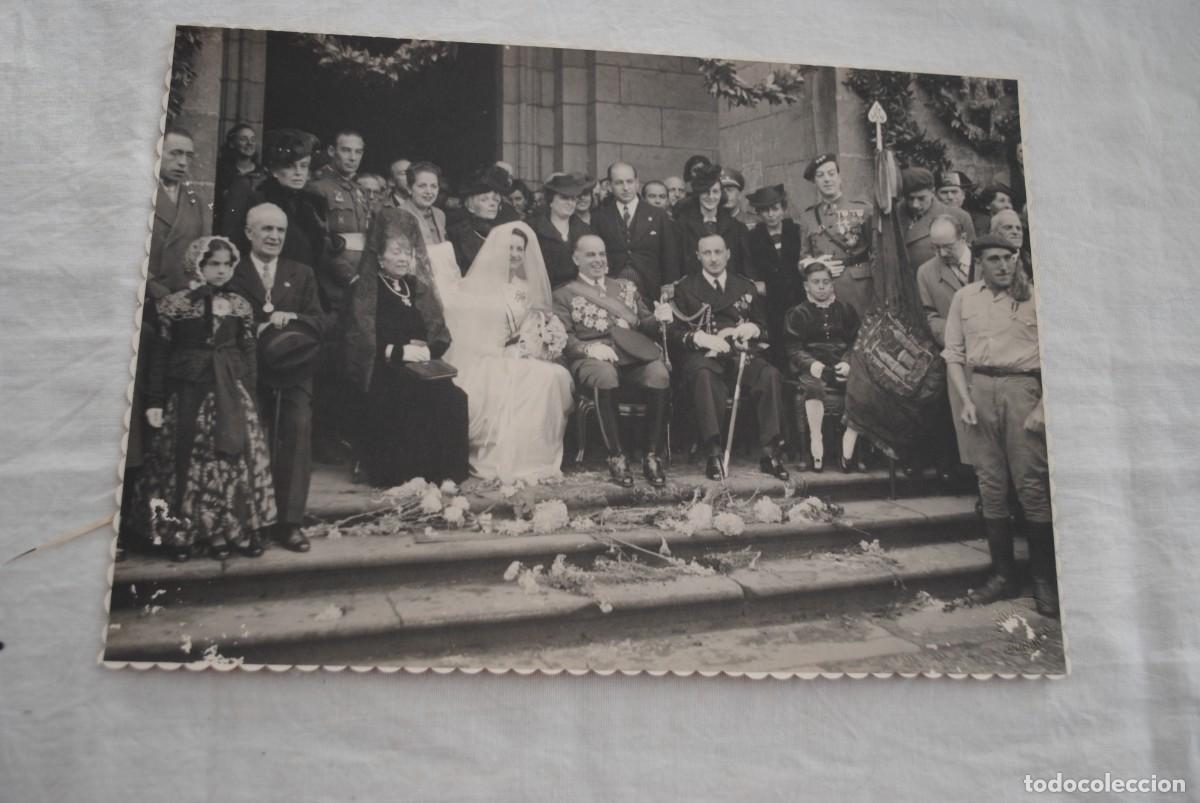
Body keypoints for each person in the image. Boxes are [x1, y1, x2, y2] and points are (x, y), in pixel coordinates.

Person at [136, 236, 276, 562]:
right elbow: (160, 353)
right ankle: (184, 535)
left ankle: (234, 531)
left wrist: (250, 396)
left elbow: (248, 352)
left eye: (228, 264)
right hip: (188, 391)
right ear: (198, 265)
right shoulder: (176, 304)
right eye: (214, 263)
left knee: (232, 460)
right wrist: (155, 400)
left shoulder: (240, 306)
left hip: (229, 390)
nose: (222, 270)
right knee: (186, 459)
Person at [942, 233, 1057, 617]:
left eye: (1009, 258)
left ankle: (1044, 581)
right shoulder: (965, 299)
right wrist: (967, 399)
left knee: (1031, 486)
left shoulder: (1034, 295)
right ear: (980, 263)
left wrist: (1042, 405)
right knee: (990, 486)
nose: (1003, 265)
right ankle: (1002, 576)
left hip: (1023, 391)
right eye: (994, 259)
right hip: (981, 392)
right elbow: (954, 355)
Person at [226, 203, 328, 554]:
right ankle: (251, 522)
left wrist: (293, 317)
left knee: (296, 435)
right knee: (249, 441)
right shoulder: (232, 271)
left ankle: (289, 523)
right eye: (266, 229)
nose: (274, 237)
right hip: (245, 369)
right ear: (249, 233)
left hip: (292, 368)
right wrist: (256, 326)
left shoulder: (300, 273)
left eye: (280, 231)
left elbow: (320, 320)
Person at [437, 222, 574, 483]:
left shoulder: (524, 287)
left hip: (518, 354)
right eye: (510, 248)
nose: (514, 254)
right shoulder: (475, 287)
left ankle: (535, 458)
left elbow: (531, 325)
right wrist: (502, 350)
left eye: (519, 249)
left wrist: (541, 339)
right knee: (521, 378)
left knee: (553, 376)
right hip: (486, 357)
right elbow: (468, 334)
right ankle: (504, 459)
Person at [343, 208, 470, 486]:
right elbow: (357, 340)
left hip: (419, 368)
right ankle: (404, 476)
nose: (403, 258)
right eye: (396, 252)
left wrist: (428, 349)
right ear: (380, 255)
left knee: (455, 398)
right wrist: (396, 351)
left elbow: (437, 332)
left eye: (407, 252)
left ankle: (443, 474)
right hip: (381, 369)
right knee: (406, 397)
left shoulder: (414, 287)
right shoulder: (366, 289)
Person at [552, 235, 674, 488]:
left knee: (659, 373)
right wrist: (589, 348)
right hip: (593, 358)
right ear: (576, 259)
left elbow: (644, 323)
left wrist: (661, 318)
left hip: (633, 356)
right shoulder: (563, 295)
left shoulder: (625, 287)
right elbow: (563, 338)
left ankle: (652, 455)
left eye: (602, 254)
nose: (598, 260)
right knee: (605, 375)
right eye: (590, 255)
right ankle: (616, 455)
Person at [671, 234, 790, 482]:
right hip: (705, 355)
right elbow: (675, 333)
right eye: (707, 253)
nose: (713, 259)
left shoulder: (745, 286)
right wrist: (698, 338)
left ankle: (771, 453)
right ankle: (713, 452)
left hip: (740, 353)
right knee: (703, 376)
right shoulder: (685, 287)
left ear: (728, 254)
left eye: (718, 252)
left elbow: (764, 327)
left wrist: (754, 329)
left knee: (770, 375)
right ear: (698, 256)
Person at [784, 262, 864, 473]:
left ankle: (849, 448)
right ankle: (815, 443)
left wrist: (847, 362)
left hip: (841, 365)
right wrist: (813, 365)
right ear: (806, 286)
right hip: (813, 367)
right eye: (815, 282)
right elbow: (793, 348)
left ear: (832, 285)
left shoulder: (845, 310)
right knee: (813, 387)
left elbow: (856, 342)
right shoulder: (798, 313)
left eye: (826, 282)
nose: (821, 287)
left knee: (860, 387)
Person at [221, 129, 328, 276]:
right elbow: (233, 243)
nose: (298, 172)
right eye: (289, 166)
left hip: (302, 282)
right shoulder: (254, 195)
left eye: (303, 166)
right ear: (274, 169)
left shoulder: (311, 202)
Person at [916, 215, 975, 474]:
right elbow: (929, 316)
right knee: (965, 420)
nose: (941, 252)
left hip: (994, 351)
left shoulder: (987, 263)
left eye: (948, 246)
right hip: (956, 356)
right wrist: (954, 337)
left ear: (963, 238)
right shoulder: (927, 272)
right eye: (935, 247)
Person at [798, 153, 875, 318]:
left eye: (831, 173)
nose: (827, 179)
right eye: (820, 175)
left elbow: (877, 253)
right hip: (824, 289)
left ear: (839, 177)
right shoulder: (808, 217)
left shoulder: (863, 209)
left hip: (860, 288)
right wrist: (817, 264)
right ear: (815, 182)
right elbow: (803, 259)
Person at [591, 161, 679, 301]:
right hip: (612, 290)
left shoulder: (658, 216)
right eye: (619, 183)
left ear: (637, 183)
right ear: (609, 186)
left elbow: (669, 255)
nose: (626, 188)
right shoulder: (599, 217)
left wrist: (668, 286)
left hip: (650, 289)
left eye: (630, 182)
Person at [308, 129, 371, 317]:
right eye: (346, 150)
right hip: (332, 279)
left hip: (360, 276)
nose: (353, 157)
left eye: (358, 152)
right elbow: (319, 238)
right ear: (331, 151)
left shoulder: (359, 191)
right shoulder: (318, 188)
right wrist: (347, 275)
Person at [745, 184, 803, 368]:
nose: (771, 214)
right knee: (776, 341)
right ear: (759, 213)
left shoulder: (795, 231)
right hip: (770, 300)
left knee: (799, 336)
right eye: (765, 210)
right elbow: (749, 263)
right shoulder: (753, 236)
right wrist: (756, 282)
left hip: (797, 295)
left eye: (775, 209)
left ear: (783, 209)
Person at [150, 127, 206, 300]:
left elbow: (199, 254)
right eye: (175, 153)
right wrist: (153, 289)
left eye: (188, 156)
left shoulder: (195, 202)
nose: (183, 162)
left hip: (182, 298)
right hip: (148, 297)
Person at [674, 163, 755, 282]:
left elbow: (746, 268)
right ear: (698, 194)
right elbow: (675, 263)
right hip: (693, 291)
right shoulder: (681, 226)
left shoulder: (737, 228)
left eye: (715, 191)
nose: (711, 197)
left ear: (721, 194)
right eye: (705, 192)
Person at [900, 167, 976, 269]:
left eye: (921, 198)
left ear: (932, 192)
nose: (915, 205)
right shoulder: (894, 215)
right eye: (910, 199)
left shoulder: (959, 216)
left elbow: (970, 259)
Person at [527, 172, 594, 288]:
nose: (570, 203)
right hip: (543, 290)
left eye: (573, 199)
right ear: (551, 200)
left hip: (577, 292)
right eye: (564, 198)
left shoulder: (584, 231)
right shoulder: (533, 228)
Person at [447, 169, 509, 273]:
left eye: (495, 199)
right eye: (484, 199)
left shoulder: (503, 231)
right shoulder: (458, 234)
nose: (492, 204)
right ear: (470, 206)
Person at [214, 123, 268, 229]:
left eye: (252, 140)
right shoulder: (220, 170)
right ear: (232, 143)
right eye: (243, 139)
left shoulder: (263, 173)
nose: (249, 143)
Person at [389, 161, 447, 248]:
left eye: (434, 186)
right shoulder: (397, 215)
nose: (429, 192)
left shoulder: (440, 214)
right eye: (422, 186)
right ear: (409, 188)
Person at [990, 208, 1033, 280]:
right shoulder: (986, 260)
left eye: (1019, 228)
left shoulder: (1031, 262)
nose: (1015, 232)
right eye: (1008, 228)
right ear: (994, 233)